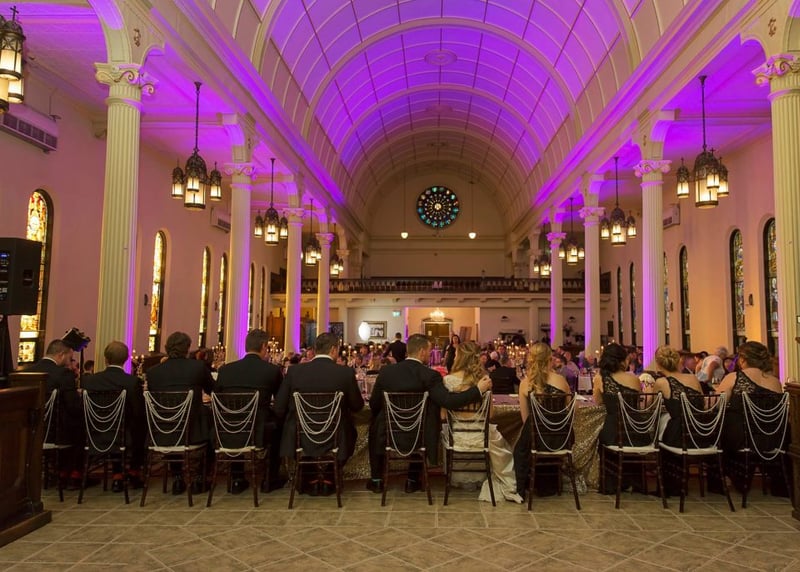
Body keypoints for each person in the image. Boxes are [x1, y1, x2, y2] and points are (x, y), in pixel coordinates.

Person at [367, 334, 490, 494]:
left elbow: (374, 404)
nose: (430, 354)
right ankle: (412, 480)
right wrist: (477, 390)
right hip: (420, 434)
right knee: (424, 426)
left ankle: (376, 480)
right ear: (422, 351)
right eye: (429, 351)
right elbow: (448, 401)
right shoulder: (430, 376)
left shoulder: (386, 372)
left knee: (375, 424)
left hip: (389, 433)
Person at [274, 332, 364, 496]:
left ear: (315, 350)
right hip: (335, 434)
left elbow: (279, 406)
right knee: (350, 430)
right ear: (334, 350)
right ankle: (329, 475)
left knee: (290, 426)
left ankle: (309, 475)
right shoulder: (344, 373)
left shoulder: (295, 372)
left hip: (301, 434)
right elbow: (357, 406)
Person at [443, 341, 522, 503]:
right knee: (503, 444)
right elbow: (490, 414)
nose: (454, 357)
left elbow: (443, 415)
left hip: (456, 436)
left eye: (456, 354)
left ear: (461, 358)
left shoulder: (448, 380)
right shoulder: (484, 380)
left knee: (443, 431)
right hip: (481, 436)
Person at [214, 329, 284, 495]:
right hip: (259, 430)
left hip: (229, 428)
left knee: (236, 422)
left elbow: (217, 398)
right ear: (264, 346)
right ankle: (270, 478)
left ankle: (237, 478)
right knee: (280, 425)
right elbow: (280, 402)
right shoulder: (271, 371)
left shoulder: (225, 370)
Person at [145, 331, 214, 494]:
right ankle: (200, 477)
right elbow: (213, 389)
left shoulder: (153, 372)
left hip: (164, 429)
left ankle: (177, 477)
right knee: (213, 425)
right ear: (187, 348)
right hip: (193, 429)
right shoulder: (197, 367)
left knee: (171, 425)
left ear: (167, 348)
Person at [81, 341, 145, 492]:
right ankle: (133, 472)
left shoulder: (89, 381)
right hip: (123, 436)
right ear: (126, 359)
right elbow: (138, 412)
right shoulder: (131, 382)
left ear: (106, 359)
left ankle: (117, 474)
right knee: (140, 427)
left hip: (94, 434)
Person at [513, 343, 571, 497]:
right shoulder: (561, 381)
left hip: (537, 439)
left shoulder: (525, 383)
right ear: (550, 359)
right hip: (560, 438)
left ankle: (524, 487)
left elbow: (525, 419)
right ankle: (549, 483)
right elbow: (571, 410)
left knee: (520, 448)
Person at [25, 339, 84, 487]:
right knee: (81, 426)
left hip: (28, 430)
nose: (69, 361)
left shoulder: (26, 372)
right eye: (69, 358)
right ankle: (70, 473)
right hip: (55, 433)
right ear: (61, 355)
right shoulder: (63, 374)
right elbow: (73, 407)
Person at [593, 343, 642, 493]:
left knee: (598, 433)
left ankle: (611, 481)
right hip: (636, 431)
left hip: (614, 432)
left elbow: (598, 402)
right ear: (623, 360)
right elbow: (637, 404)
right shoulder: (634, 379)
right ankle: (632, 480)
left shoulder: (600, 378)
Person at [651, 346, 704, 448]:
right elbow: (703, 403)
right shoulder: (693, 378)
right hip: (700, 432)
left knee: (661, 426)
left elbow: (653, 407)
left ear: (658, 364)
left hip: (678, 436)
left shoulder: (661, 382)